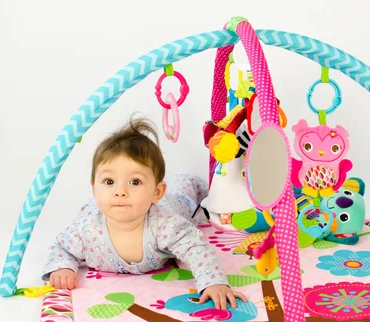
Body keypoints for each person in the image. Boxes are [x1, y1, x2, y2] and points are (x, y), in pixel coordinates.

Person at [42, 115, 247, 310]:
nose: (120, 191)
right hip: (103, 207)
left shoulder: (166, 225)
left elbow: (196, 249)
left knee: (186, 195)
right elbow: (62, 247)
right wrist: (63, 268)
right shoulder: (86, 228)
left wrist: (213, 283)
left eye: (135, 182)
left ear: (156, 192)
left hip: (172, 203)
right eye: (109, 182)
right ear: (94, 188)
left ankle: (190, 181)